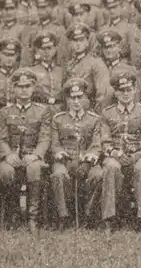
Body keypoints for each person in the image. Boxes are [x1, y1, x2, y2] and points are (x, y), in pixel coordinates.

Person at [0, 68, 51, 233]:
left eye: (27, 86)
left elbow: (45, 138)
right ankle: (12, 214)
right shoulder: (4, 112)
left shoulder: (42, 111)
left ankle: (32, 217)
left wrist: (35, 155)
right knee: (6, 171)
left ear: (33, 87)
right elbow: (1, 138)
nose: (24, 90)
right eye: (20, 86)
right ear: (13, 88)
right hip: (12, 156)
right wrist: (7, 155)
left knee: (34, 168)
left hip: (32, 157)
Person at [101, 70, 141, 232]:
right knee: (111, 167)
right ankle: (110, 218)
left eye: (128, 89)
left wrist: (137, 154)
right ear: (115, 93)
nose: (125, 94)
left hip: (138, 154)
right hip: (115, 155)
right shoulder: (107, 113)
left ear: (135, 90)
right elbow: (104, 140)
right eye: (121, 90)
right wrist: (116, 153)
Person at [50, 78, 104, 229]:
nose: (76, 101)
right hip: (65, 161)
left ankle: (88, 214)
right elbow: (55, 144)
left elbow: (96, 144)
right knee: (58, 175)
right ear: (67, 99)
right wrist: (66, 160)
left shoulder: (94, 120)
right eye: (72, 97)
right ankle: (64, 216)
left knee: (98, 175)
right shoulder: (58, 119)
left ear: (86, 98)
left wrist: (87, 163)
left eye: (80, 97)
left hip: (87, 161)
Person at [63, 23, 112, 112]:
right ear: (70, 43)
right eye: (75, 40)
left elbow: (104, 93)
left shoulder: (96, 62)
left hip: (88, 112)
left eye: (81, 40)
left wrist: (95, 114)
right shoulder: (69, 64)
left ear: (87, 42)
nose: (78, 44)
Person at [30, 32, 65, 115]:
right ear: (37, 50)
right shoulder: (32, 71)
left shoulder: (62, 71)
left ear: (55, 49)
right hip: (39, 112)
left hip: (59, 111)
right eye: (43, 49)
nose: (46, 52)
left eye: (49, 48)